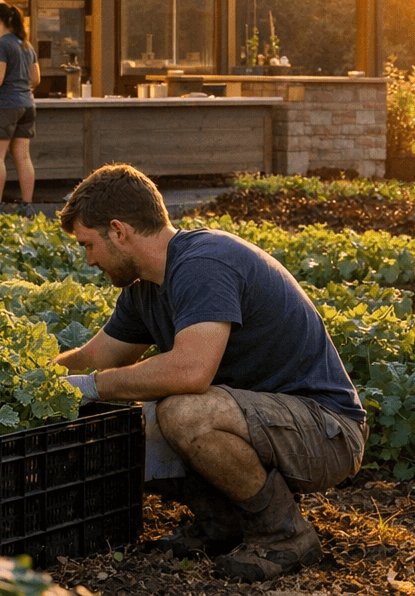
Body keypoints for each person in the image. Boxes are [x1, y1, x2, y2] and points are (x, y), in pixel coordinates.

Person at [54, 164, 366, 582]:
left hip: (326, 431)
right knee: (139, 422)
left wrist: (91, 387)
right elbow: (97, 356)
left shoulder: (205, 262)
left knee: (183, 411)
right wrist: (33, 379)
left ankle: (284, 534)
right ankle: (222, 523)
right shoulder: (143, 286)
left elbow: (190, 371)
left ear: (118, 230)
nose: (89, 259)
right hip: (261, 420)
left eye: (88, 245)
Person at [0, 2, 40, 217]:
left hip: (4, 105)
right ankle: (27, 206)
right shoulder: (26, 45)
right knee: (23, 157)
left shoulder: (0, 45)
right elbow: (36, 79)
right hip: (27, 105)